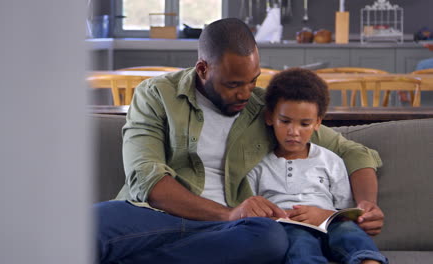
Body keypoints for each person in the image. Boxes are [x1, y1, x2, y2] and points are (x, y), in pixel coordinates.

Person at [94, 18, 384, 263]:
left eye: (253, 81)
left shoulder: (267, 108)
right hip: (157, 216)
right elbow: (147, 178)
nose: (245, 93)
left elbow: (354, 152)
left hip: (233, 233)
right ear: (203, 69)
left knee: (270, 239)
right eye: (233, 84)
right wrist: (228, 213)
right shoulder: (157, 95)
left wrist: (366, 204)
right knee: (86, 225)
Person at [247, 68, 388, 264]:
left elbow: (344, 212)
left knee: (349, 232)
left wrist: (323, 215)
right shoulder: (258, 166)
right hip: (288, 226)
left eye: (304, 124)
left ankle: (369, 261)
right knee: (300, 242)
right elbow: (253, 212)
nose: (293, 132)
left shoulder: (330, 160)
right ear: (270, 117)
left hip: (329, 222)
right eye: (285, 121)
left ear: (317, 123)